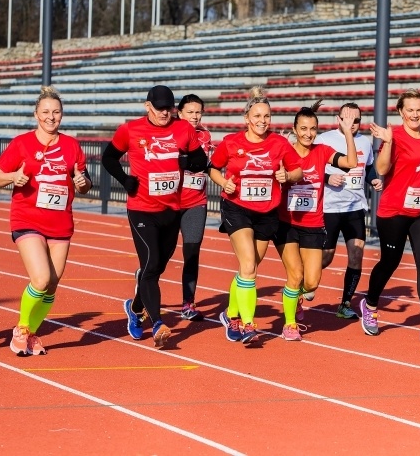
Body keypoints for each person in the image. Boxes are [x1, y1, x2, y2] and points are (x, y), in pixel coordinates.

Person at [101, 85, 207, 348]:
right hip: (141, 209)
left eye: (169, 108)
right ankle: (157, 322)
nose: (165, 113)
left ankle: (134, 308)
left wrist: (186, 163)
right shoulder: (130, 129)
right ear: (148, 106)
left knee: (157, 267)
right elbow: (108, 158)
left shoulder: (183, 129)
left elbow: (200, 160)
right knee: (151, 263)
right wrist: (125, 180)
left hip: (171, 208)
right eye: (159, 108)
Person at [0, 86, 92, 356]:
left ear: (62, 115)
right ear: (36, 114)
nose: (51, 117)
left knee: (52, 284)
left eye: (56, 112)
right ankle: (22, 328)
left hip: (60, 221)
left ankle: (32, 333)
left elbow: (83, 182)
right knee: (41, 278)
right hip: (27, 217)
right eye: (46, 112)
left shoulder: (71, 145)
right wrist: (14, 178)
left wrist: (82, 182)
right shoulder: (22, 143)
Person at [208, 86, 302, 344]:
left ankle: (230, 314)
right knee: (249, 265)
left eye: (267, 117)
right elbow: (213, 168)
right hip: (237, 208)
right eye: (257, 116)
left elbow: (298, 172)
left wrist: (287, 176)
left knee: (248, 268)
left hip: (267, 211)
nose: (262, 121)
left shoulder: (279, 143)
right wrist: (222, 182)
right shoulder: (231, 142)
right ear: (247, 119)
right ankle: (248, 324)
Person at [363, 88, 420, 340]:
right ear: (401, 112)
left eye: (419, 109)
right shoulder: (396, 136)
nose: (415, 114)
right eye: (410, 110)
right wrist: (388, 142)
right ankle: (369, 305)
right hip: (395, 210)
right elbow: (381, 168)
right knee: (390, 262)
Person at [274, 101, 358, 341]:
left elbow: (351, 164)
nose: (308, 133)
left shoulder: (322, 151)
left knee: (311, 283)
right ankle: (289, 324)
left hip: (312, 224)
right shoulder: (284, 151)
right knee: (296, 274)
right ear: (294, 129)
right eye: (303, 128)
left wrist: (349, 134)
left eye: (312, 129)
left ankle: (296, 297)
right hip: (286, 223)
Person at [314, 102, 383, 319]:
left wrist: (373, 181)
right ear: (338, 119)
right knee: (326, 258)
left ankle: (345, 304)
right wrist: (327, 177)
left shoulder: (364, 141)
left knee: (356, 255)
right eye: (347, 119)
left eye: (356, 121)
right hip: (329, 208)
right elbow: (311, 166)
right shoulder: (324, 139)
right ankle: (302, 287)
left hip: (355, 208)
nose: (351, 124)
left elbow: (368, 167)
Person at [176, 94, 214, 321]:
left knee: (191, 253)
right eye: (190, 112)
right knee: (160, 257)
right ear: (179, 113)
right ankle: (143, 291)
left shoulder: (205, 135)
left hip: (196, 202)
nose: (195, 116)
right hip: (168, 203)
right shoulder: (168, 135)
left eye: (198, 112)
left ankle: (188, 304)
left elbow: (210, 165)